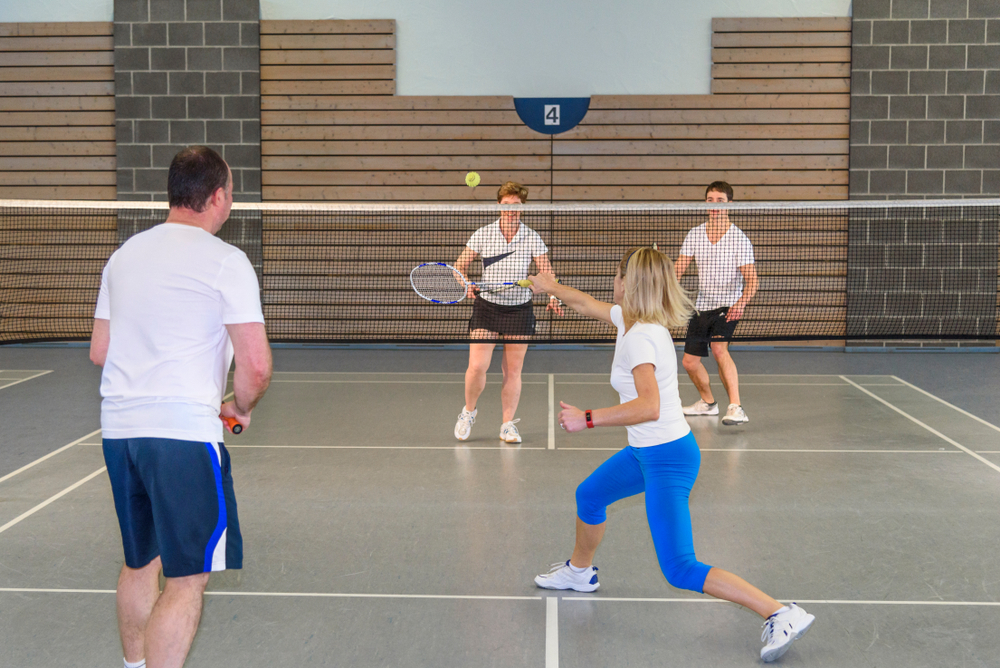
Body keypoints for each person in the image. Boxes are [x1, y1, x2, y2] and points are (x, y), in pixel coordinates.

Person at [526, 248, 813, 663]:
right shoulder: (632, 320)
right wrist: (552, 288)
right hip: (645, 451)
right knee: (589, 495)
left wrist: (587, 418)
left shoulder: (640, 339)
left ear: (627, 282)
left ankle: (781, 612)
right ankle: (579, 571)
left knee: (679, 568)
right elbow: (586, 304)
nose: (612, 282)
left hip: (667, 458)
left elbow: (649, 407)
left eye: (616, 275)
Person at [89, 146, 272, 668]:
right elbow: (256, 367)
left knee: (139, 563)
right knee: (187, 579)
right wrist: (238, 406)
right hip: (183, 437)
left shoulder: (124, 256)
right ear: (217, 196)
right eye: (231, 193)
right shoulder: (227, 261)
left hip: (119, 432)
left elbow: (100, 352)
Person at [452, 181, 562, 443]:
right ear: (499, 206)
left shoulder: (532, 237)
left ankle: (507, 424)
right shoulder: (483, 234)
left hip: (519, 309)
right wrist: (465, 284)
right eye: (506, 205)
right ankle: (468, 412)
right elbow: (459, 267)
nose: (511, 210)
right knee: (477, 366)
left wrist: (553, 294)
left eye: (516, 206)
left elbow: (546, 273)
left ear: (522, 208)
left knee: (512, 371)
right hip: (487, 306)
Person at [675, 181, 758, 425]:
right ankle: (708, 403)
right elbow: (677, 270)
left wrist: (741, 303)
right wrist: (664, 286)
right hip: (703, 305)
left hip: (729, 306)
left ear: (729, 204)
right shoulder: (695, 234)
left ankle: (736, 407)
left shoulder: (738, 239)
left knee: (720, 348)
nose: (714, 205)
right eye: (709, 200)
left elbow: (752, 281)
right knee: (689, 362)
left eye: (719, 201)